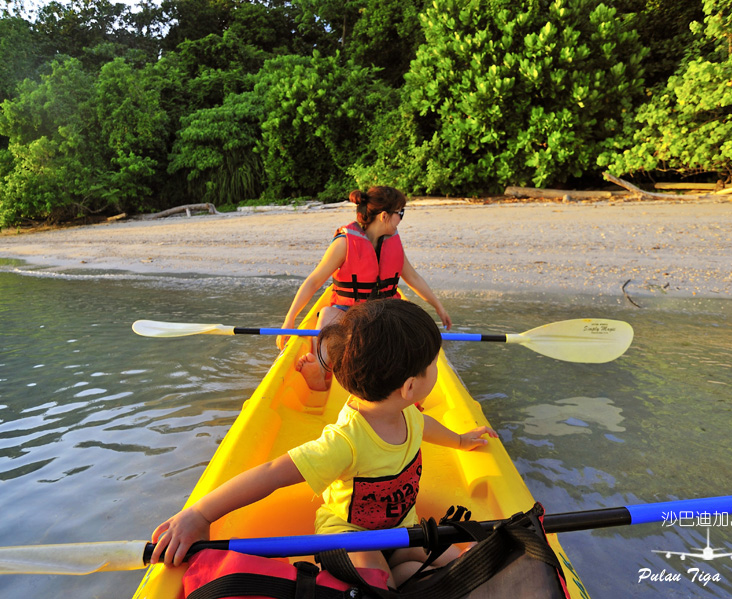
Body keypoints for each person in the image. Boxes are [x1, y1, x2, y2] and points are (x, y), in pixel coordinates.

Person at [151, 299, 496, 588]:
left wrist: (460, 440)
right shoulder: (344, 442)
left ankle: (405, 574)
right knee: (378, 586)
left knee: (459, 563)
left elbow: (424, 426)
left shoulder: (407, 412)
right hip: (348, 537)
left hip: (402, 529)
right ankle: (393, 580)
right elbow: (272, 473)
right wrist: (199, 513)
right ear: (408, 387)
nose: (437, 366)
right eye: (433, 363)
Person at [276, 186, 452, 392]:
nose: (401, 219)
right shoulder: (344, 243)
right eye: (400, 213)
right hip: (349, 312)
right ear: (385, 216)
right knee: (326, 315)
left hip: (384, 312)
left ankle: (403, 375)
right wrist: (289, 320)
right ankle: (321, 375)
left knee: (407, 322)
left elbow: (412, 277)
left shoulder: (392, 241)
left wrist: (439, 307)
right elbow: (314, 281)